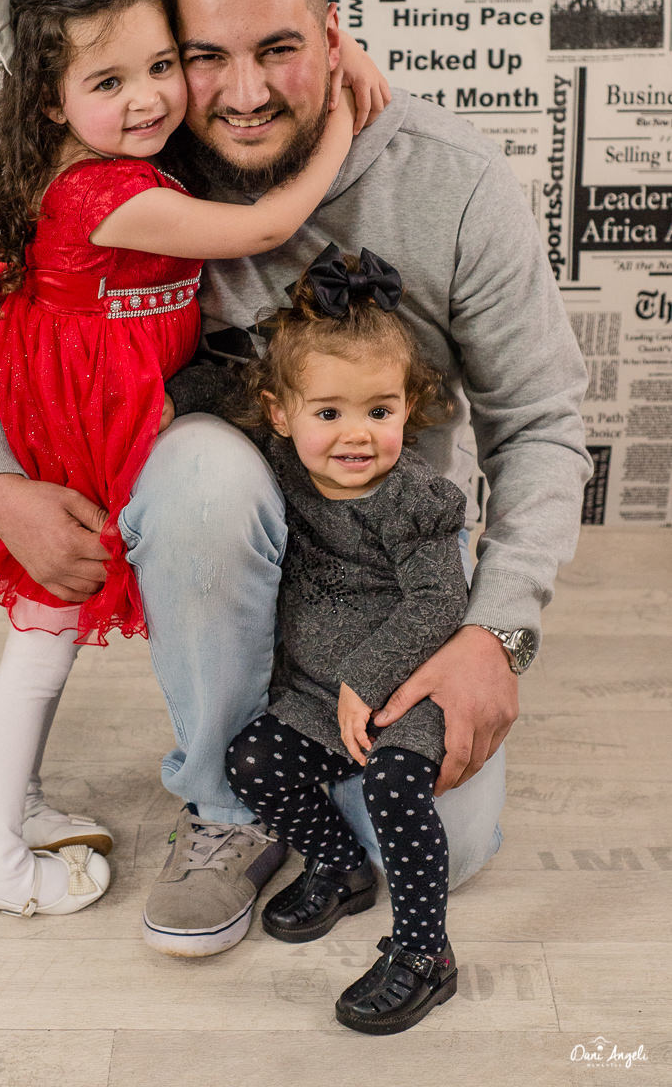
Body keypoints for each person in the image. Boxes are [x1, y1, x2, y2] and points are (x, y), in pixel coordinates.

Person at [0, 0, 591, 955]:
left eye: (279, 49)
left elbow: (544, 423)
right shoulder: (140, 156)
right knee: (199, 464)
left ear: (333, 36)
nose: (242, 95)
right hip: (221, 551)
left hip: (387, 574)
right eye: (206, 58)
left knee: (436, 848)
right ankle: (221, 802)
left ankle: (301, 755)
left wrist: (495, 632)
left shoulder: (454, 178)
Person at [0, 0, 364, 919]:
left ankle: (19, 804)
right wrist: (338, 114)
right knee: (39, 649)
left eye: (162, 66)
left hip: (107, 418)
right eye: (108, 82)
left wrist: (335, 52)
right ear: (51, 102)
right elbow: (265, 227)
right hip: (80, 447)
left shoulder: (123, 166)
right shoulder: (105, 194)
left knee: (47, 647)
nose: (149, 98)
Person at [167, 244, 466, 1032]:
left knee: (396, 788)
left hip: (400, 691)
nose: (355, 436)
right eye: (328, 413)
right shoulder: (279, 460)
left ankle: (424, 952)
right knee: (251, 762)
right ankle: (337, 864)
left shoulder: (417, 500)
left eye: (379, 411)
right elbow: (197, 388)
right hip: (311, 690)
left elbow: (438, 601)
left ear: (407, 406)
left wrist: (367, 681)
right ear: (281, 414)